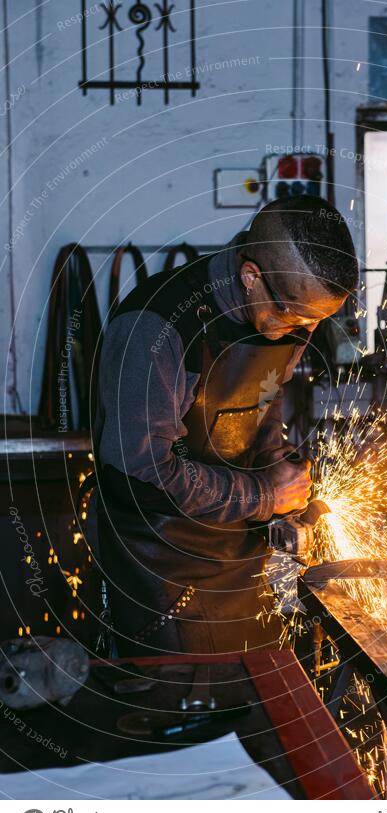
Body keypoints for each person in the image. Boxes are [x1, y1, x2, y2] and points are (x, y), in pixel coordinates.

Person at [88, 194, 358, 656]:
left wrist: (276, 461)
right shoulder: (154, 326)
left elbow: (263, 402)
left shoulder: (285, 316)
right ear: (251, 276)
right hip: (159, 557)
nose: (304, 331)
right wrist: (266, 494)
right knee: (185, 707)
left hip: (238, 548)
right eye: (297, 314)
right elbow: (142, 476)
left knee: (259, 697)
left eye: (318, 321)